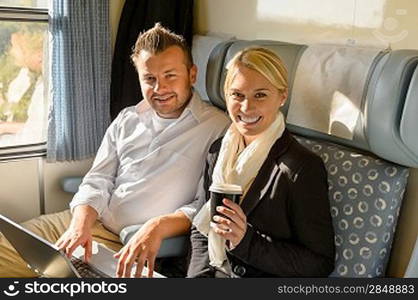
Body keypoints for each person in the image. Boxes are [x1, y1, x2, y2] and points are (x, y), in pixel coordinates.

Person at [0, 23, 229, 278]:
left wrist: (159, 225)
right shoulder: (127, 119)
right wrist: (80, 223)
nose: (159, 88)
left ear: (192, 74)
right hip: (86, 221)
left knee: (54, 279)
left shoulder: (219, 128)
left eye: (170, 76)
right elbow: (98, 178)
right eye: (149, 79)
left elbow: (208, 205)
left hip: (127, 243)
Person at [187, 47, 335, 278]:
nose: (246, 107)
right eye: (237, 95)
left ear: (282, 97)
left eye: (260, 95)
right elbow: (201, 229)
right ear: (226, 96)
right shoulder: (218, 151)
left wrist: (245, 241)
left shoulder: (300, 168)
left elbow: (319, 264)